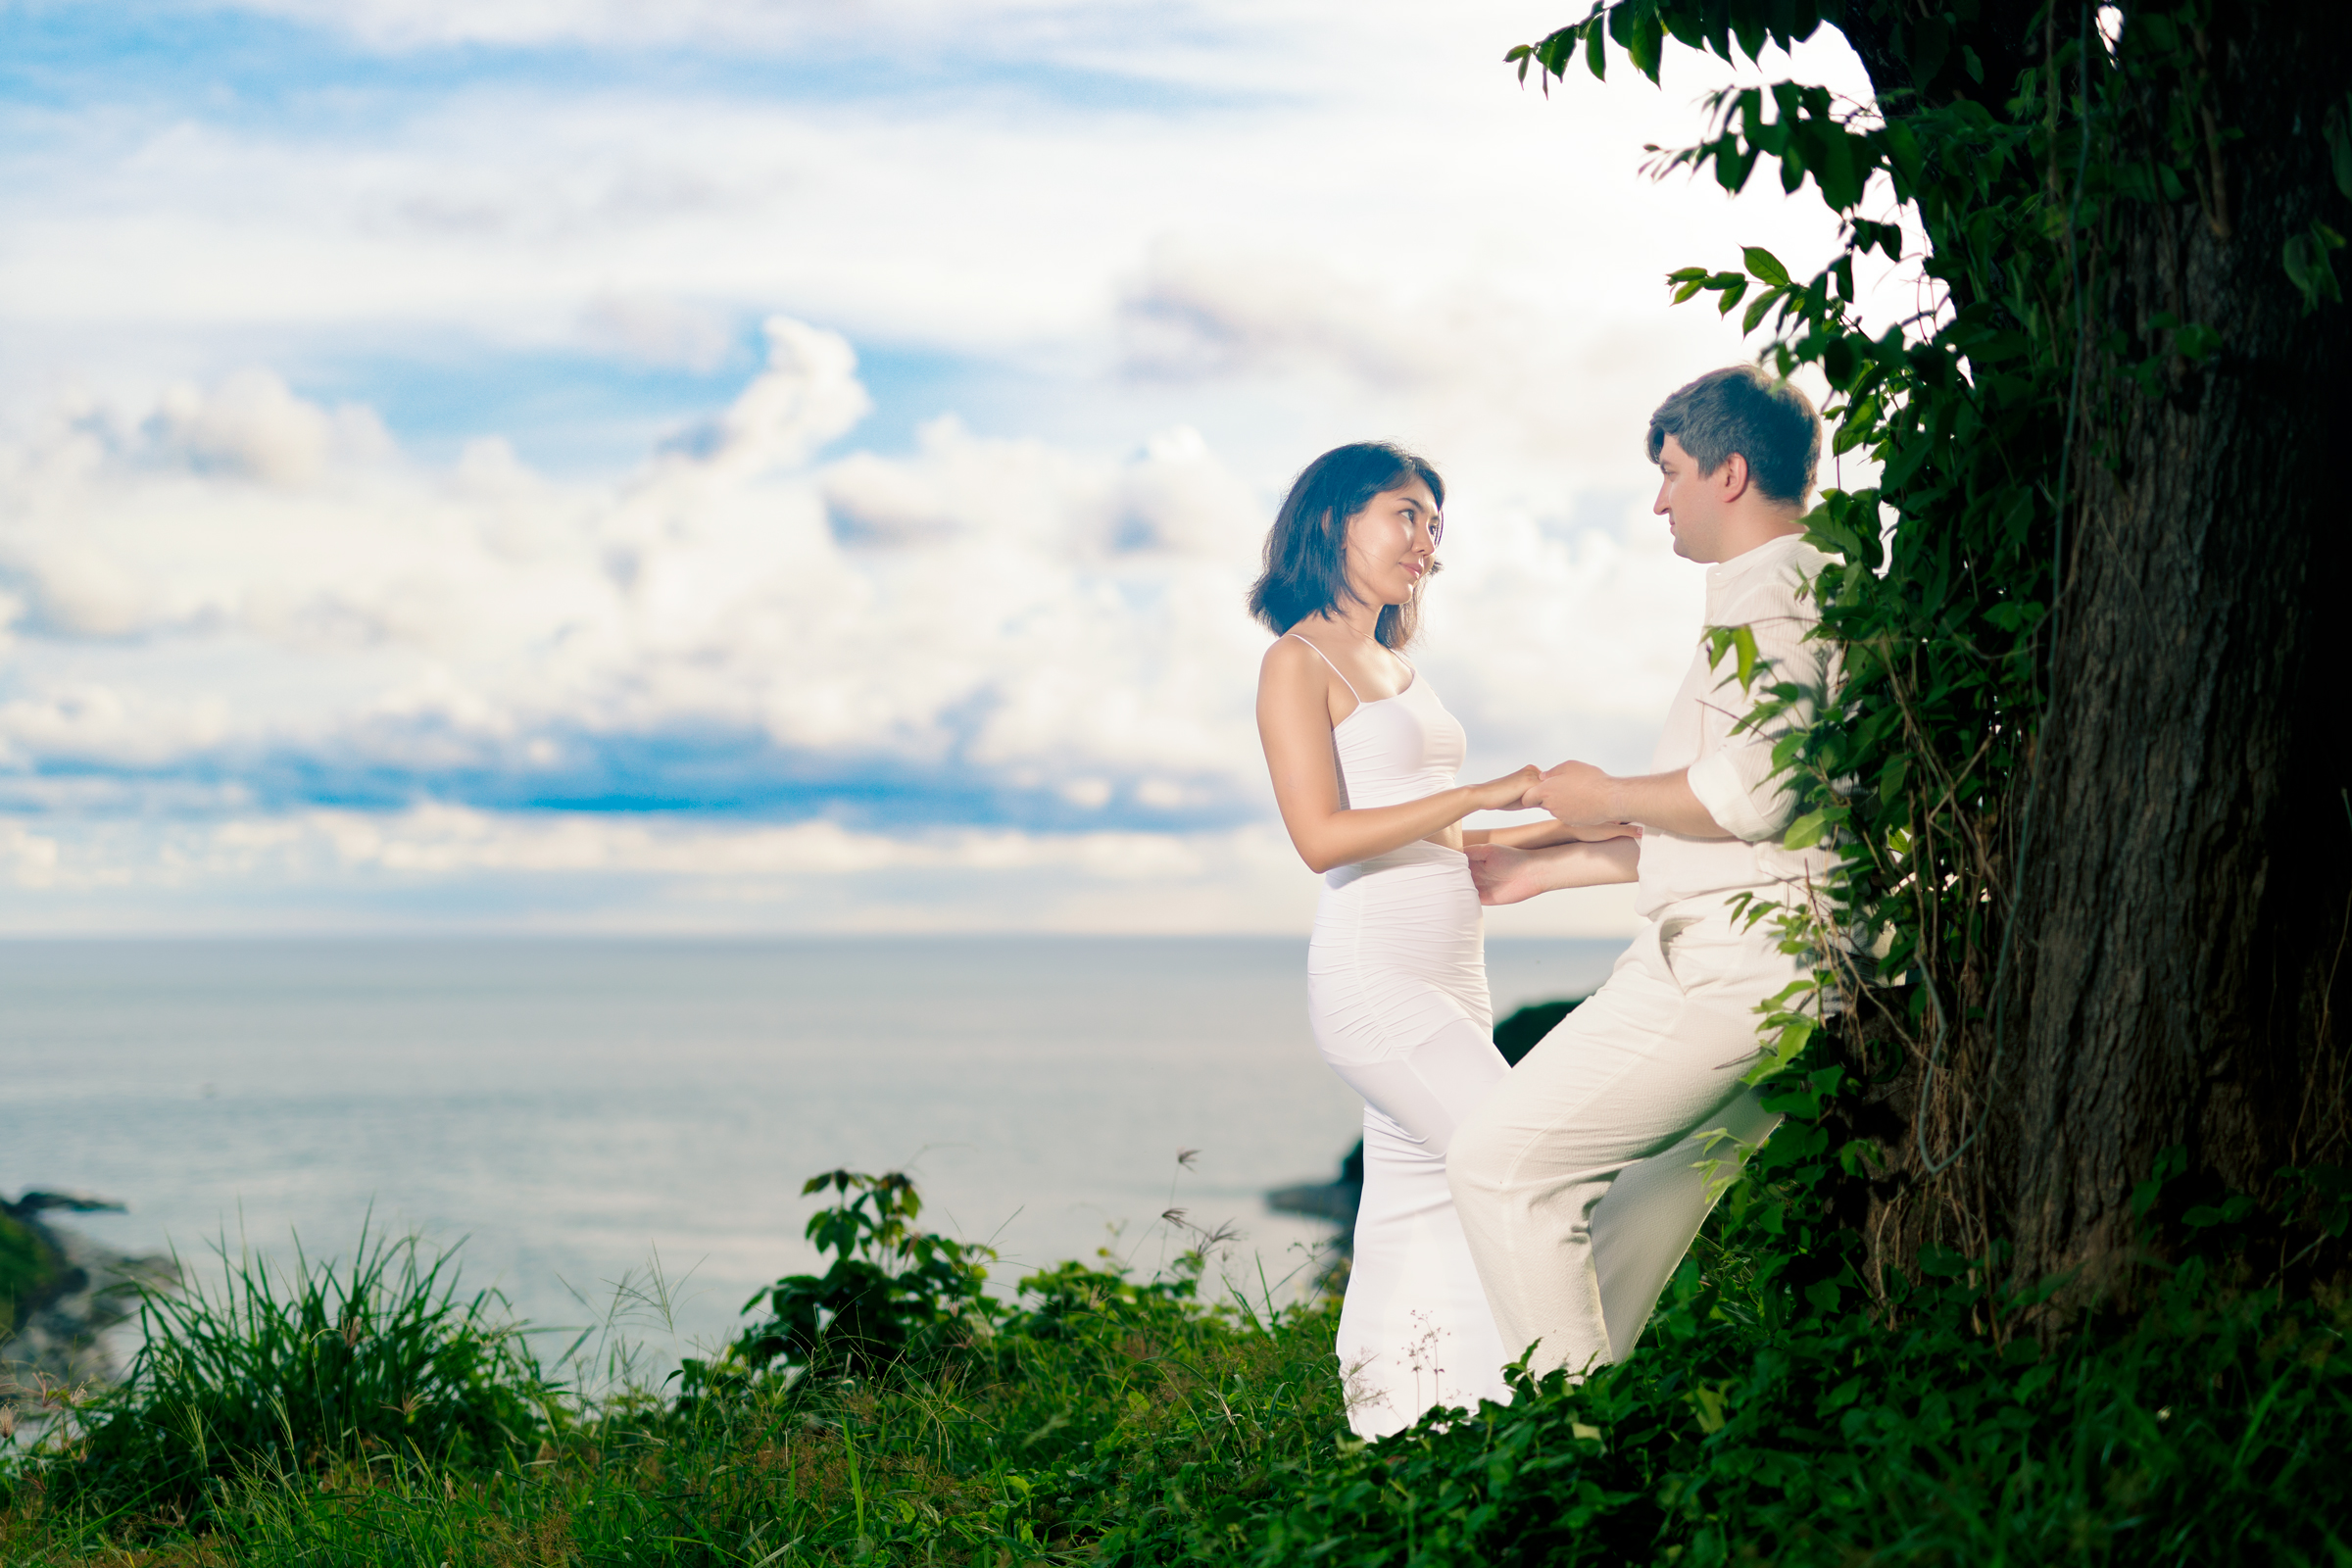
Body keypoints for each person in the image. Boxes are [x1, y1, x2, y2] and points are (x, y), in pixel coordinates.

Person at [1450, 366, 1837, 1381]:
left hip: (1731, 976)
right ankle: (1581, 1429)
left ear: (1729, 472)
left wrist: (1603, 790)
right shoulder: (1807, 586)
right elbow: (1750, 827)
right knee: (1622, 1222)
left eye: (1670, 473)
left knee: (1499, 1168)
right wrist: (1547, 863)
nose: (1659, 501)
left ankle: (1568, 1450)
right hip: (1776, 971)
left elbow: (1753, 792)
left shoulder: (1774, 593)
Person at [1250, 442, 1638, 1439]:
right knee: (1526, 1168)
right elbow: (1321, 838)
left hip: (1453, 980)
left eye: (1434, 523)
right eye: (1405, 514)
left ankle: (1403, 1438)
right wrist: (1478, 792)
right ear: (1334, 520)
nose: (1426, 539)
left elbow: (1447, 846)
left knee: (1419, 1218)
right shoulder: (1297, 660)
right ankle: (1562, 1421)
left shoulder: (1399, 669)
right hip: (1376, 982)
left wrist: (1588, 830)